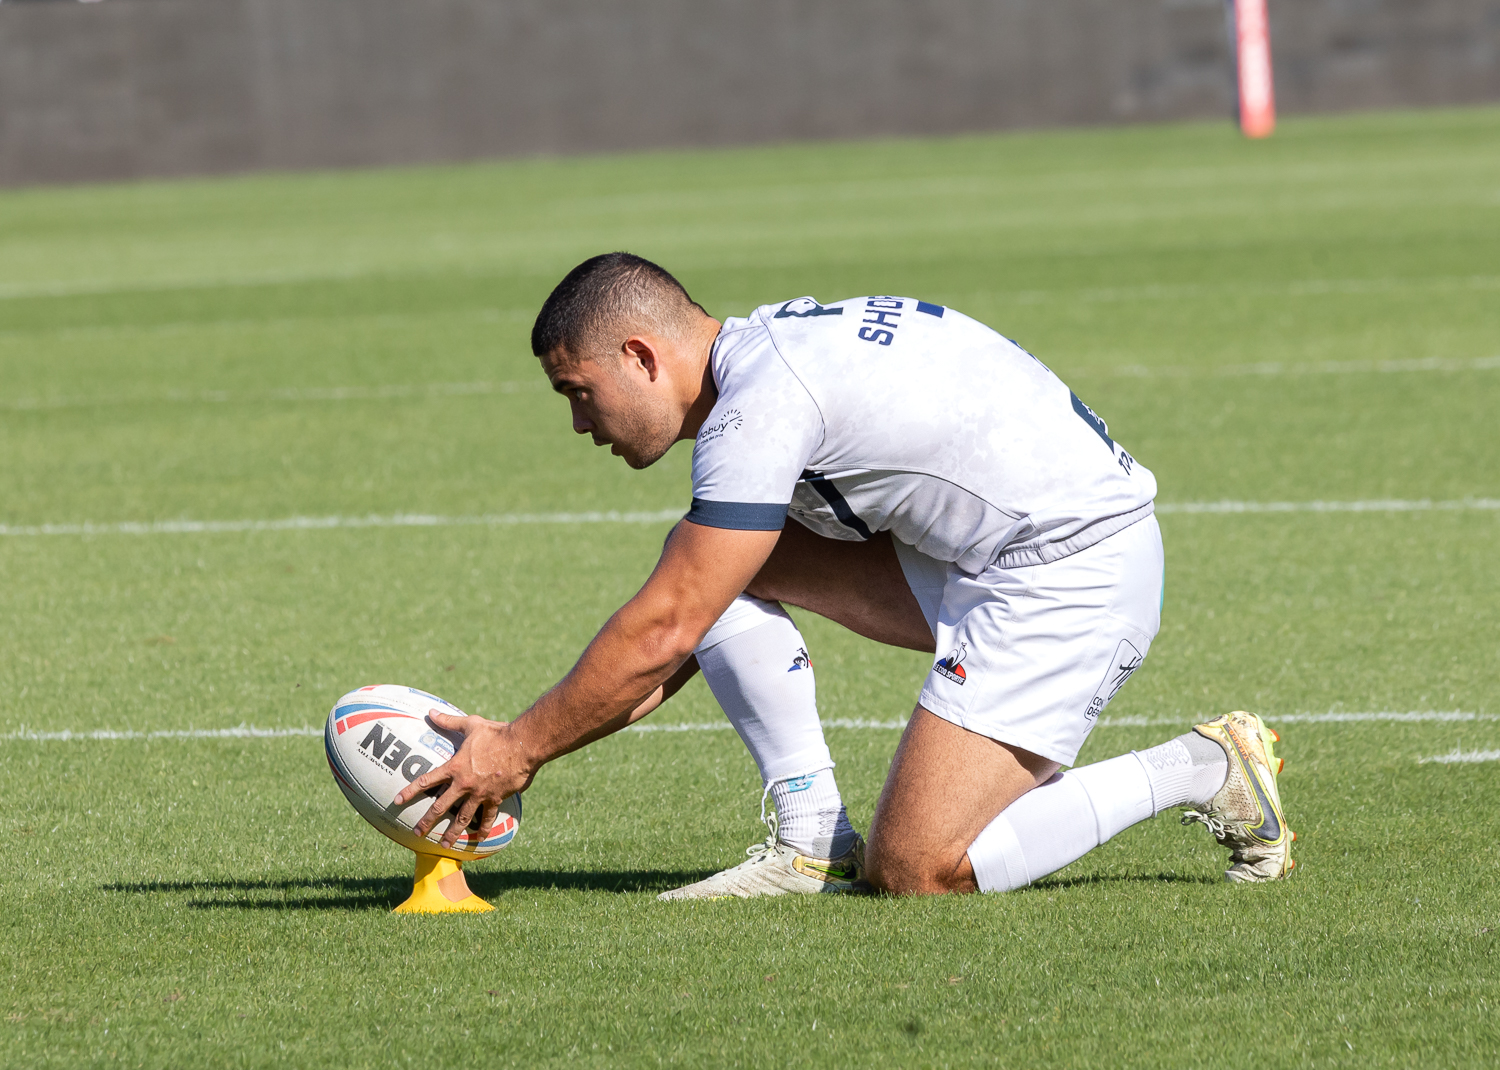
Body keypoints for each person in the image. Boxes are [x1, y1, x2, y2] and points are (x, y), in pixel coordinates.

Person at [396, 252, 1295, 897]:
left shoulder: (761, 406)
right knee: (727, 565)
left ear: (640, 355)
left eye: (578, 392)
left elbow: (668, 627)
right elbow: (681, 632)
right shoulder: (765, 352)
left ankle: (1202, 765)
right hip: (996, 550)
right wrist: (530, 743)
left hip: (1072, 572)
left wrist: (517, 749)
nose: (579, 424)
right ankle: (811, 842)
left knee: (917, 869)